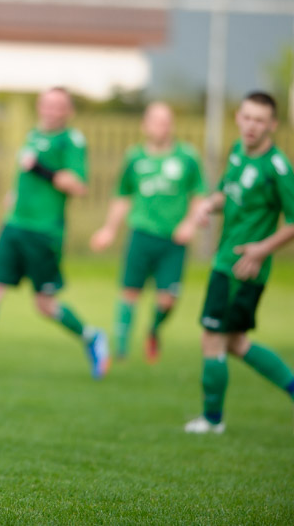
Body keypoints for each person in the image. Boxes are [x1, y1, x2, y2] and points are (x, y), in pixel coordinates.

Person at [0, 87, 109, 381]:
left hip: (44, 233)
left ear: (68, 111)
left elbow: (78, 185)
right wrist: (15, 194)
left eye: (58, 106)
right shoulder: (33, 135)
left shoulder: (71, 141)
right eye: (46, 104)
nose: (50, 111)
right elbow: (24, 176)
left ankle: (91, 337)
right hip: (14, 226)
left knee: (45, 305)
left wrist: (40, 168)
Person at [184, 91, 294, 434]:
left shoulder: (277, 168)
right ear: (238, 118)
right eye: (247, 117)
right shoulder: (236, 152)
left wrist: (262, 249)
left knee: (212, 337)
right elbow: (226, 194)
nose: (251, 126)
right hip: (225, 260)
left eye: (260, 120)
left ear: (272, 125)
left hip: (242, 267)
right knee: (234, 342)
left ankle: (212, 420)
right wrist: (207, 205)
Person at [90, 102, 207, 362]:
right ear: (145, 125)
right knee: (129, 292)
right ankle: (121, 351)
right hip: (141, 234)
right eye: (155, 121)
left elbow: (199, 195)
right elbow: (122, 195)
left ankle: (153, 330)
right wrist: (109, 230)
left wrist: (190, 224)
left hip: (173, 240)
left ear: (172, 125)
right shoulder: (135, 157)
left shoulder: (187, 157)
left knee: (168, 300)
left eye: (166, 122)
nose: (161, 127)